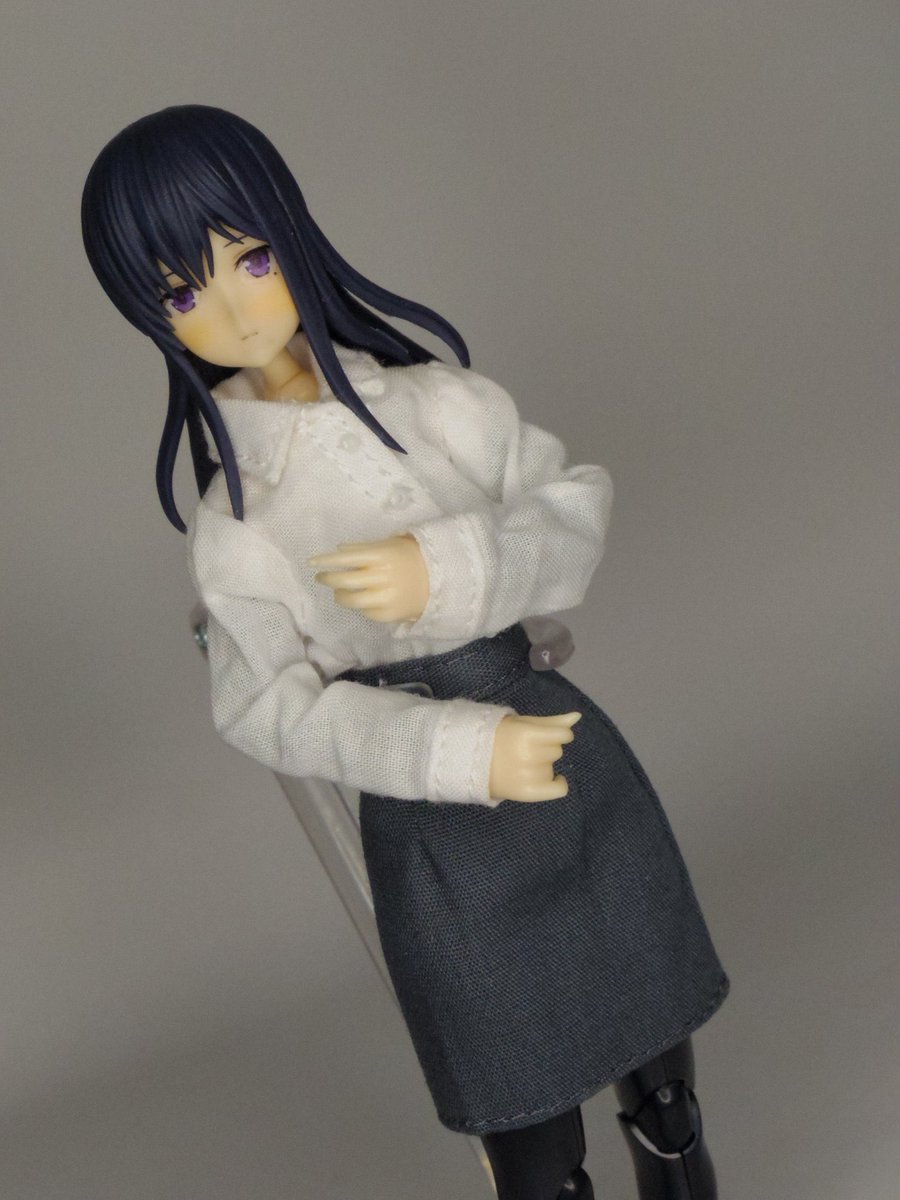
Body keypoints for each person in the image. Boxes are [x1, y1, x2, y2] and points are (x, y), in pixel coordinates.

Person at [82, 105, 728, 1200]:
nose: (232, 310)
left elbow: (570, 507)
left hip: (563, 756)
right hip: (437, 832)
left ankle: (682, 1173)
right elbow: (266, 707)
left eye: (250, 260)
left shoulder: (438, 406)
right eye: (183, 293)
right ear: (152, 319)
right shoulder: (239, 523)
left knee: (659, 1064)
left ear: (293, 233)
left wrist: (457, 568)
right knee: (527, 1122)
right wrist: (450, 750)